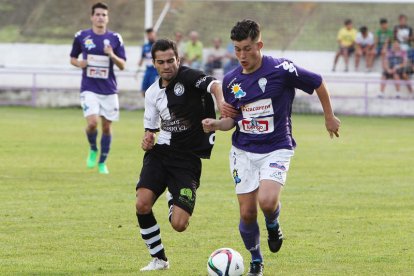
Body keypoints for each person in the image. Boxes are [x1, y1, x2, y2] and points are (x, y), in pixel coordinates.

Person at [202, 19, 341, 276]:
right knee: (246, 212)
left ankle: (273, 224)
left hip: (277, 147)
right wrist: (216, 124)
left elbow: (318, 82)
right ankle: (256, 261)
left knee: (266, 201)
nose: (242, 55)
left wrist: (329, 116)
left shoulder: (281, 69)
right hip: (243, 151)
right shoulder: (232, 80)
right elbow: (233, 120)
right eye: (237, 49)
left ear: (260, 45)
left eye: (247, 48)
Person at [135, 38, 237, 272]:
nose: (167, 66)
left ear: (178, 60)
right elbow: (150, 130)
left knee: (179, 224)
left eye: (171, 60)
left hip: (187, 159)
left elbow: (214, 85)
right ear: (154, 64)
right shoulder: (152, 94)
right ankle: (159, 259)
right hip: (160, 153)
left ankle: (174, 197)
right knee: (142, 203)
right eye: (161, 62)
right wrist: (147, 140)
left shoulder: (189, 77)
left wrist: (221, 102)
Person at [69, 2, 126, 174]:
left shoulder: (115, 38)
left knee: (107, 127)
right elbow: (72, 58)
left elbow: (122, 65)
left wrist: (111, 55)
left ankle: (102, 162)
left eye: (104, 15)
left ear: (107, 18)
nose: (100, 17)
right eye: (98, 14)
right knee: (93, 123)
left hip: (109, 89)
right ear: (92, 17)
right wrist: (80, 63)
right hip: (89, 88)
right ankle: (93, 148)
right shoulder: (82, 36)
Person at [138, 27, 158, 96]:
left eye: (151, 34)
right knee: (144, 91)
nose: (150, 36)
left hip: (156, 71)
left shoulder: (158, 45)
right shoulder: (145, 46)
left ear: (154, 34)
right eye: (148, 35)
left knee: (153, 91)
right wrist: (139, 64)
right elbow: (142, 57)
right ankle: (147, 105)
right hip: (148, 70)